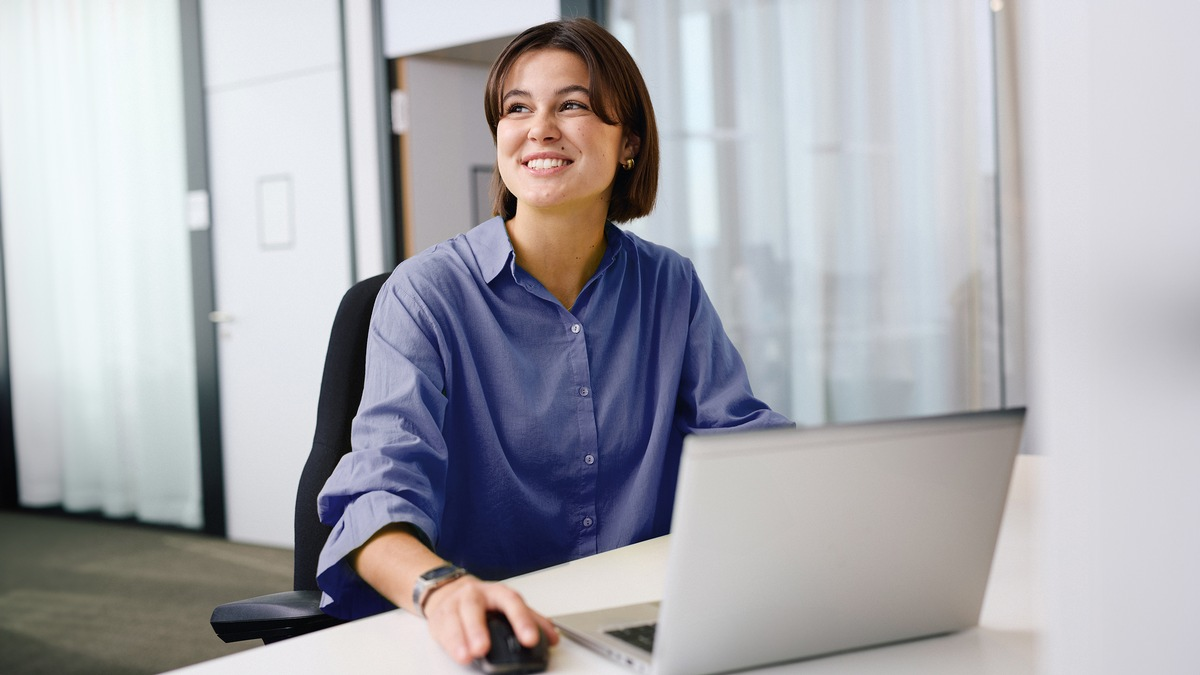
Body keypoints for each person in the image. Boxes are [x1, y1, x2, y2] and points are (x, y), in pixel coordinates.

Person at [316, 17, 793, 666]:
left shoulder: (668, 283)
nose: (539, 127)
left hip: (639, 616)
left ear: (628, 143)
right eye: (517, 108)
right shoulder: (425, 294)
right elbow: (377, 496)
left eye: (571, 105)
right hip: (494, 633)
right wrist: (440, 587)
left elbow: (738, 435)